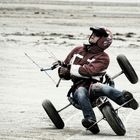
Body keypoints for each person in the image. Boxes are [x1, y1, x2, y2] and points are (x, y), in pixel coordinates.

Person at [58, 27, 139, 134]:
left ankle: (126, 101)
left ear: (103, 41)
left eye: (96, 35)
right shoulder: (77, 50)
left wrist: (70, 69)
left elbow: (88, 71)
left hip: (94, 89)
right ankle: (90, 120)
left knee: (99, 86)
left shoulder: (103, 58)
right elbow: (65, 71)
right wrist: (61, 71)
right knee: (81, 91)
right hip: (78, 89)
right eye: (92, 33)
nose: (92, 35)